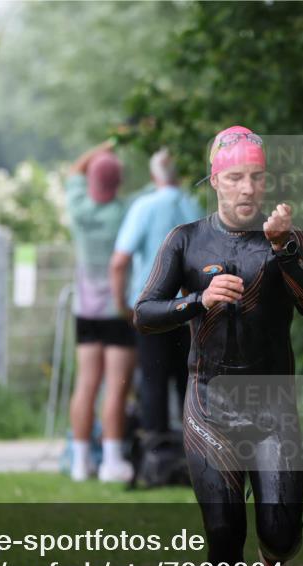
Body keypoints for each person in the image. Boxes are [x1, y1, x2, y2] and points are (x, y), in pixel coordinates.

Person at [134, 126, 303, 566]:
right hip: (209, 408)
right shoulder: (185, 240)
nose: (247, 188)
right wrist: (197, 300)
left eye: (257, 177)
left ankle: (274, 561)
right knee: (222, 531)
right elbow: (144, 312)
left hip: (273, 409)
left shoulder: (287, 237)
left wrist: (283, 248)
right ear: (215, 181)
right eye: (236, 177)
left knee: (280, 531)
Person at [110, 148, 203, 440]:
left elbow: (119, 262)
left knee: (152, 379)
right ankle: (193, 447)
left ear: (154, 175)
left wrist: (122, 305)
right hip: (190, 307)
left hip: (152, 306)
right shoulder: (194, 206)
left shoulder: (144, 207)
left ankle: (156, 448)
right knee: (188, 379)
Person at [64, 142, 136, 483]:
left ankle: (80, 463)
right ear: (118, 182)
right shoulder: (123, 212)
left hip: (84, 310)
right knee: (116, 388)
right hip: (117, 310)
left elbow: (74, 170)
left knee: (86, 384)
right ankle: (111, 461)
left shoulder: (78, 206)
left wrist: (108, 143)